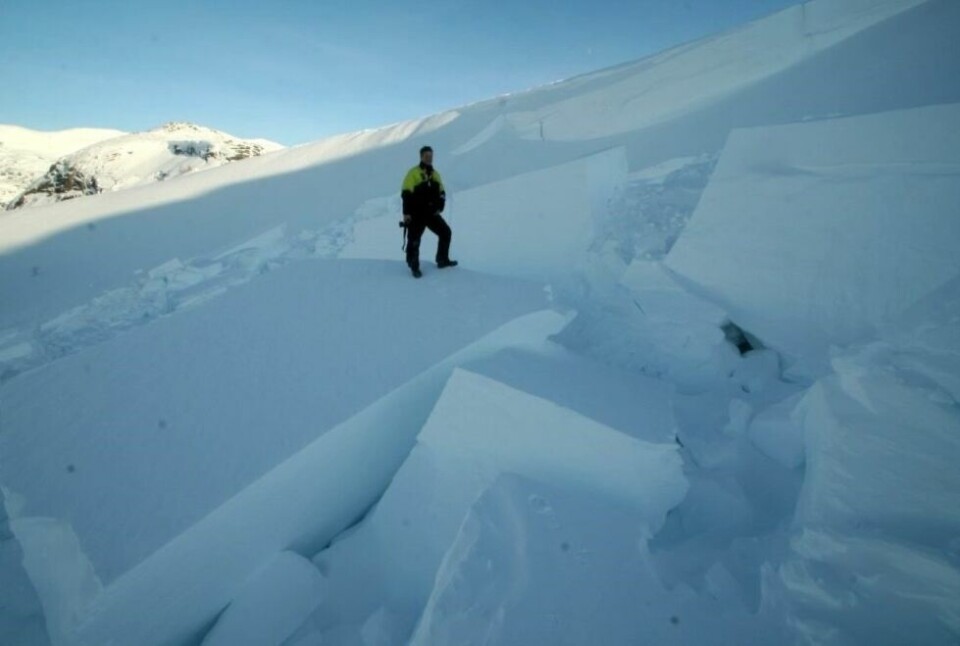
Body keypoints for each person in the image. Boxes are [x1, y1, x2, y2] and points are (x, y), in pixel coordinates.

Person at [401, 146, 457, 278]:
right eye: (426, 155)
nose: (429, 158)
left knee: (446, 232)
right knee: (414, 240)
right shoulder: (413, 173)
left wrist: (440, 206)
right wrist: (406, 213)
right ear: (421, 157)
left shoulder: (435, 174)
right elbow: (406, 193)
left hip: (431, 214)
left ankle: (442, 260)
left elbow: (442, 193)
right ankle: (414, 267)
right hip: (416, 214)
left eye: (431, 156)